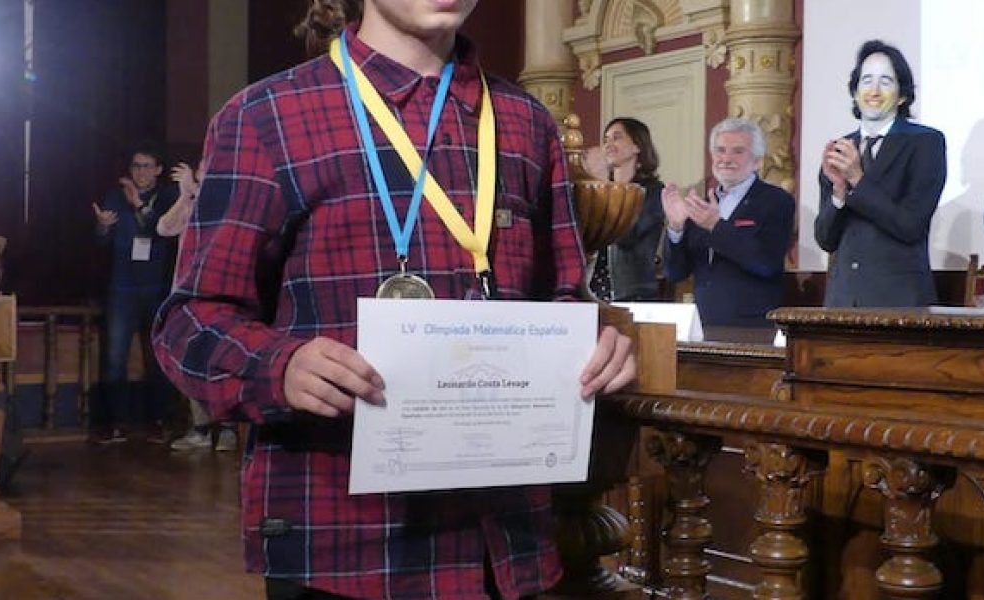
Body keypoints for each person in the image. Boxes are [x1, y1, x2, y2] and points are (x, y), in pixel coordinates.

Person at [150, 1, 635, 598]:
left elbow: (563, 296)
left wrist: (595, 345)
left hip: (505, 544)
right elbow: (190, 321)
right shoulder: (266, 116)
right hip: (345, 540)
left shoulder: (526, 121)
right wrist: (281, 365)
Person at [814, 40, 946, 308]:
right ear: (854, 91)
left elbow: (910, 225)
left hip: (898, 302)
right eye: (866, 80)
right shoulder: (841, 148)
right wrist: (839, 195)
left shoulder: (925, 143)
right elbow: (826, 239)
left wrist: (858, 180)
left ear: (902, 95)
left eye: (885, 81)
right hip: (843, 302)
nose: (874, 90)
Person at [662, 117, 795, 328]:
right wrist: (676, 228)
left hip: (752, 327)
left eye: (738, 151)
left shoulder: (776, 200)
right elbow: (675, 273)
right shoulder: (702, 205)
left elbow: (766, 262)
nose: (726, 158)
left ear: (758, 161)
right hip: (701, 323)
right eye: (720, 150)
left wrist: (716, 226)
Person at [91, 141, 179, 444]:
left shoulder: (169, 196)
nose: (140, 172)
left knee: (158, 356)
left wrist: (139, 204)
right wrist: (102, 227)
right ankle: (115, 423)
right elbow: (101, 242)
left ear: (158, 170)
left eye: (146, 166)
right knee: (115, 356)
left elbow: (161, 230)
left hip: (157, 287)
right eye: (135, 166)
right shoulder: (115, 195)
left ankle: (159, 420)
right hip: (122, 287)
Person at [157, 161, 237, 452]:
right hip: (186, 292)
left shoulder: (227, 197)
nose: (203, 172)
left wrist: (197, 192)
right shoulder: (190, 200)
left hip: (219, 290)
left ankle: (227, 428)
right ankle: (200, 429)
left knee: (222, 359)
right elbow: (164, 228)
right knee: (190, 357)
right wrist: (185, 196)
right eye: (201, 168)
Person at [582, 117, 665, 302]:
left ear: (637, 146)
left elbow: (626, 237)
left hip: (633, 294)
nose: (608, 145)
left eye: (617, 137)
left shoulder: (652, 191)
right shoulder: (602, 191)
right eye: (606, 139)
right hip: (593, 293)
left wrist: (604, 185)